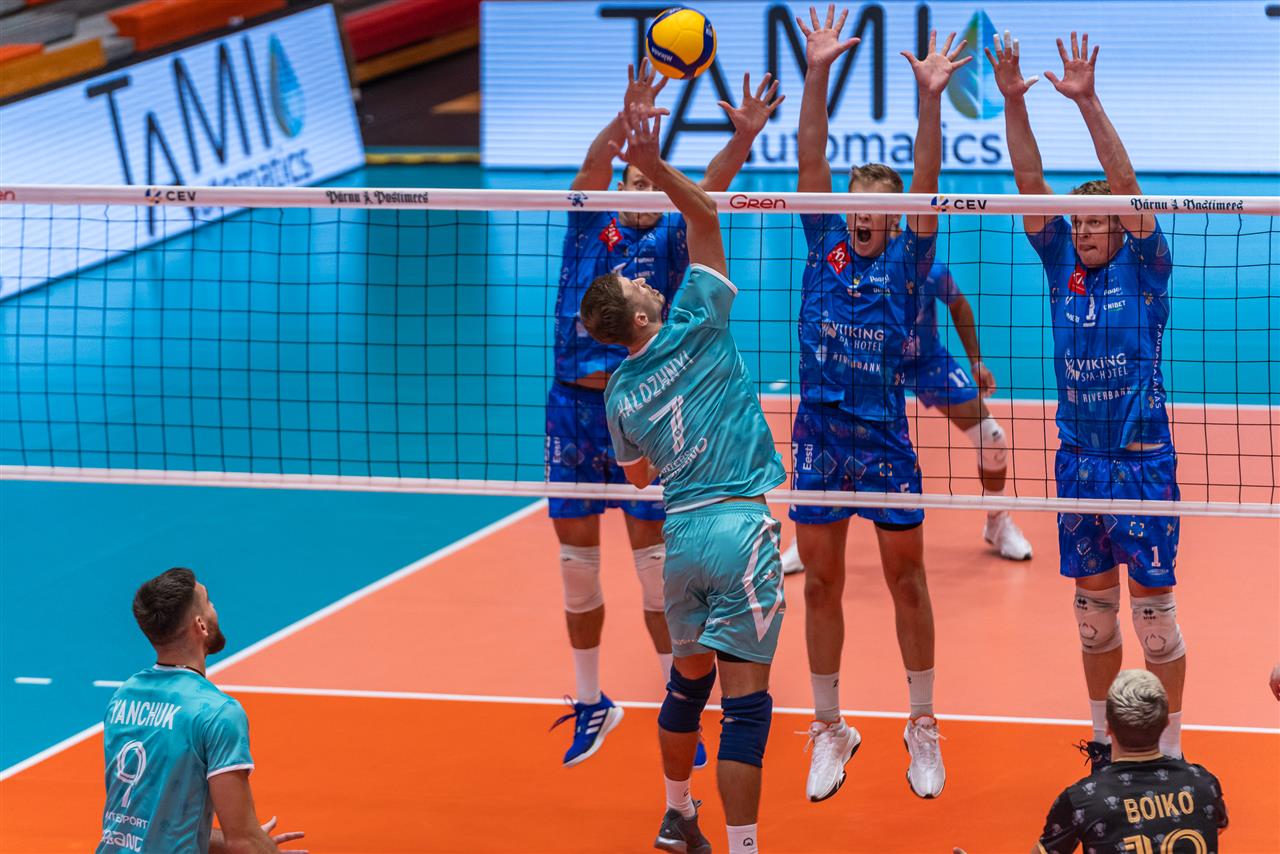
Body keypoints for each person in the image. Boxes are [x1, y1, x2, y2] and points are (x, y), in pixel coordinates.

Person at [548, 59, 783, 768]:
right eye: (632, 179)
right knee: (576, 567)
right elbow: (593, 165)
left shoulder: (671, 242)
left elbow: (705, 193)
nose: (640, 188)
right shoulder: (589, 227)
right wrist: (626, 119)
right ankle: (590, 701)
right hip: (573, 409)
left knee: (656, 572)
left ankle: (678, 704)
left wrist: (742, 139)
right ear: (618, 188)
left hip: (644, 412)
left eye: (649, 181)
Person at [989, 30, 1187, 769]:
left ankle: (1169, 751)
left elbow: (1125, 183)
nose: (1087, 231)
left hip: (1142, 462)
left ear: (1121, 227)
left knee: (1155, 622)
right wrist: (1014, 102)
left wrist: (1087, 102)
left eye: (1099, 220)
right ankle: (1106, 747)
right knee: (1094, 620)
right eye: (1080, 223)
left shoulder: (1148, 266)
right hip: (1079, 462)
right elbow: (1029, 181)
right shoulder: (1060, 264)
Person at [792, 4, 967, 802]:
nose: (862, 212)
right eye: (855, 200)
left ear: (894, 216)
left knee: (907, 581)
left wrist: (930, 98)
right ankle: (830, 727)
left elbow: (928, 177)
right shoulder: (822, 243)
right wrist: (817, 73)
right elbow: (809, 158)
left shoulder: (909, 257)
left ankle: (922, 723)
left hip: (885, 438)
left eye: (875, 204)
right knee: (819, 584)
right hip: (819, 434)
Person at [98, 568, 305, 854]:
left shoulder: (123, 697)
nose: (214, 607)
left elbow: (150, 825)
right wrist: (256, 844)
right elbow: (242, 841)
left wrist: (256, 842)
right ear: (201, 626)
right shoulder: (218, 712)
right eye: (208, 602)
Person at [892, 222, 1032, 561]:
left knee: (992, 437)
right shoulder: (857, 270)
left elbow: (959, 304)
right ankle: (813, 526)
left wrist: (976, 362)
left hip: (928, 361)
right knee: (838, 442)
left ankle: (997, 521)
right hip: (876, 364)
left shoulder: (927, 268)